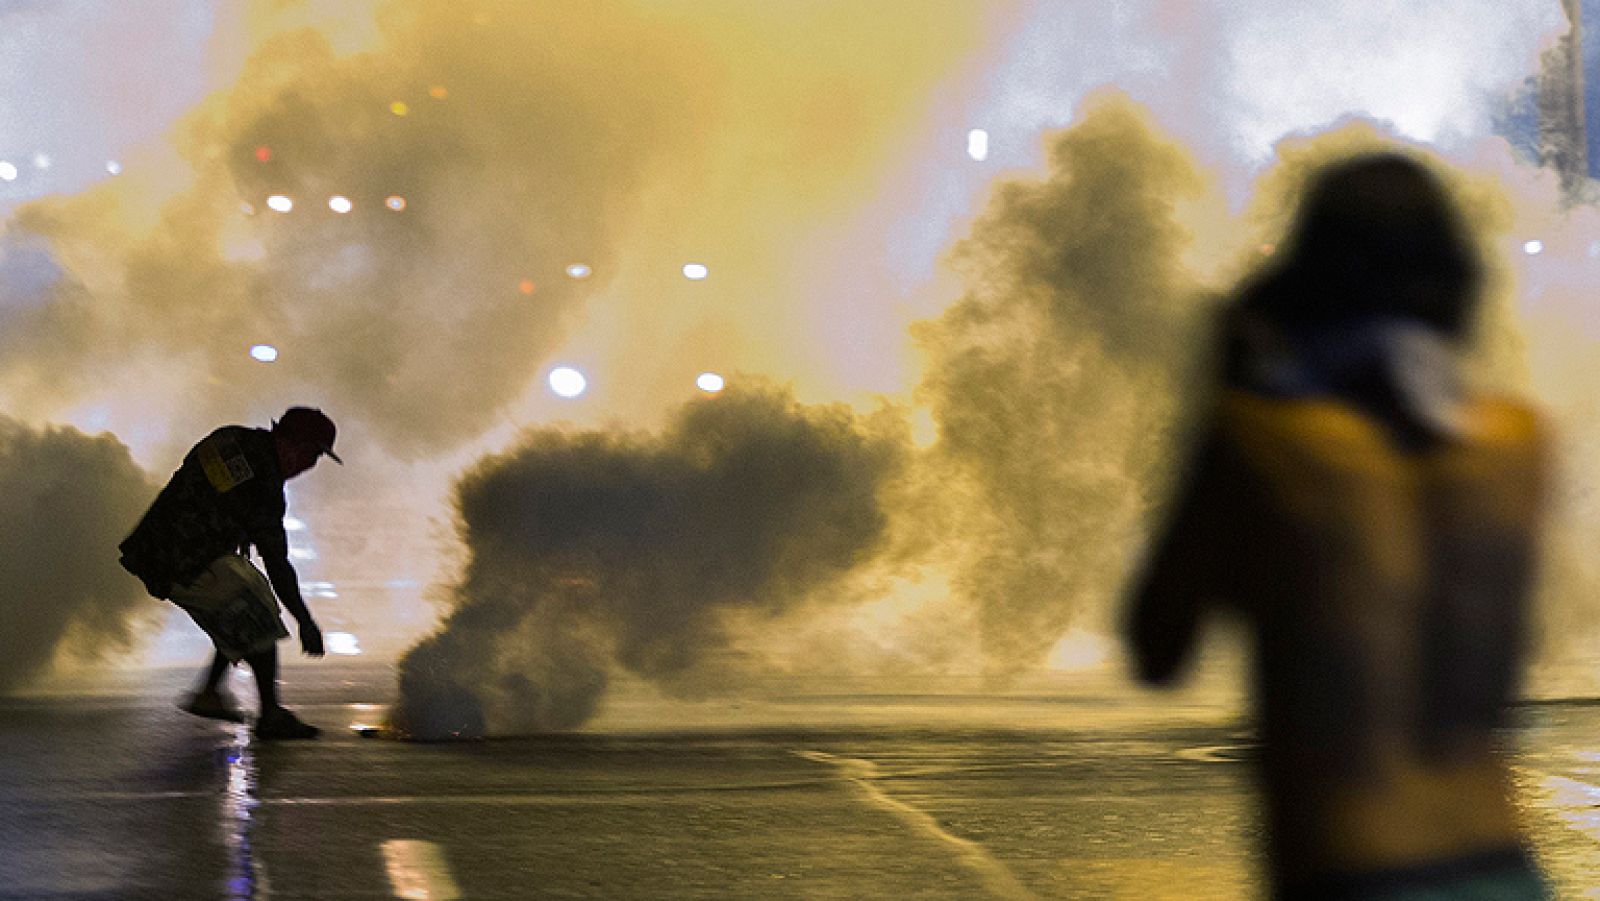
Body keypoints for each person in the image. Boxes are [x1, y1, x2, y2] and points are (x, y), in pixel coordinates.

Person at [1125, 153, 1551, 899]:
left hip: (1357, 869)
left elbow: (1158, 647)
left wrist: (1225, 386)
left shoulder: (1262, 440)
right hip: (1505, 867)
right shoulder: (1519, 444)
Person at [120, 407, 342, 740]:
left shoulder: (232, 437)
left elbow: (203, 484)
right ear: (291, 443)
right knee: (256, 615)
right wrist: (305, 622)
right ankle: (270, 715)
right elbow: (278, 565)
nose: (310, 466)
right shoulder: (265, 483)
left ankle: (210, 693)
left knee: (241, 599)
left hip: (154, 547)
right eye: (312, 455)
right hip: (186, 558)